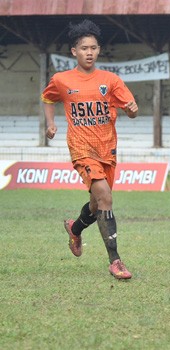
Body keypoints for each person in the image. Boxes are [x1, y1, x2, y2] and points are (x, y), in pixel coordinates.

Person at [42, 20, 138, 279]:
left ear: (99, 50)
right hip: (81, 147)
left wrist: (132, 110)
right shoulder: (61, 80)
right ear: (74, 51)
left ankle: (75, 228)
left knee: (97, 205)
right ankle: (115, 261)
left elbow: (132, 110)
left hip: (108, 149)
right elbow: (48, 98)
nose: (89, 52)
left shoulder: (111, 80)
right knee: (106, 198)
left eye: (94, 48)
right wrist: (51, 124)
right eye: (84, 48)